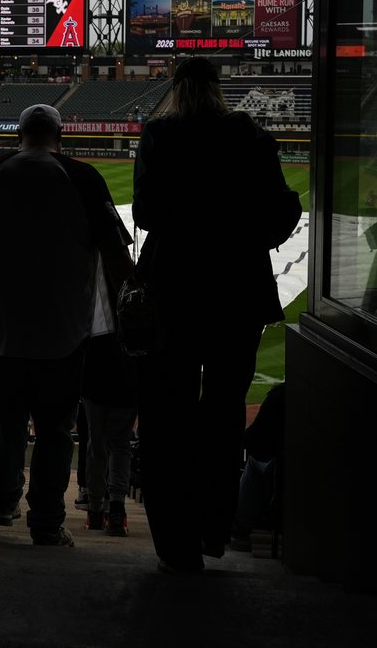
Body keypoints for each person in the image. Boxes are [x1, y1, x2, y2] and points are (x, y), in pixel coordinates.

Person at [131, 56, 299, 574]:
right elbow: (282, 209)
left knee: (168, 415)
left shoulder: (160, 133)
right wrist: (249, 237)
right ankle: (212, 530)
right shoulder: (250, 135)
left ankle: (173, 542)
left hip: (175, 289)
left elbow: (145, 214)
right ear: (218, 87)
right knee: (225, 414)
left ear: (178, 87)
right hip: (236, 291)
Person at [0, 103, 132, 547]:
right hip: (66, 328)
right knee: (54, 427)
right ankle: (46, 521)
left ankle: (5, 499)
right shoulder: (84, 176)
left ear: (19, 135)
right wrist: (128, 311)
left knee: (8, 416)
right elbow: (117, 254)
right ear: (60, 136)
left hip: (0, 324)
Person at [79, 333, 138, 537]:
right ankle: (116, 511)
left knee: (97, 445)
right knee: (120, 445)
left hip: (96, 369)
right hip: (128, 371)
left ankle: (95, 511)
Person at [231, 382, 285, 552]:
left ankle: (240, 532)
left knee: (255, 461)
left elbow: (256, 442)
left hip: (282, 477)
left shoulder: (281, 395)